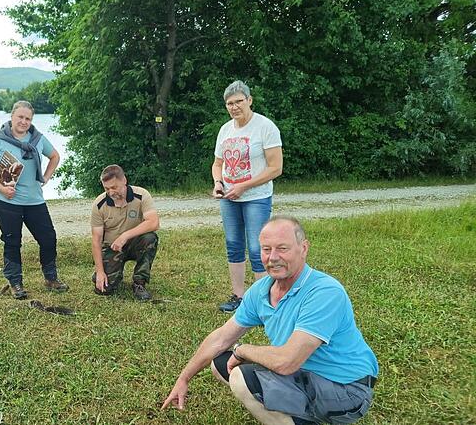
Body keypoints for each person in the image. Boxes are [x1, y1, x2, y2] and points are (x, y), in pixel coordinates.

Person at [162, 216, 379, 424]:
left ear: (303, 248)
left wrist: (243, 350)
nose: (273, 257)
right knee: (220, 364)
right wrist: (184, 378)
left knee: (240, 376)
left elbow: (287, 361)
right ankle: (298, 416)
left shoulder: (324, 292)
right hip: (303, 374)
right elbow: (220, 338)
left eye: (282, 248)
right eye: (266, 249)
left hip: (347, 389)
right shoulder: (261, 290)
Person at [0, 100, 68, 299]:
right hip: (7, 202)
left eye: (28, 118)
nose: (24, 121)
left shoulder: (38, 139)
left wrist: (46, 177)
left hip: (35, 200)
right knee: (12, 241)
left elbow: (55, 156)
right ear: (11, 117)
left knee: (48, 239)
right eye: (20, 117)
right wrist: (2, 188)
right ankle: (15, 283)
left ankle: (51, 278)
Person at [212, 80, 283, 313]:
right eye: (229, 104)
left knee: (257, 248)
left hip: (256, 197)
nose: (234, 107)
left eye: (238, 102)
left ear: (249, 100)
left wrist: (244, 186)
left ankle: (262, 299)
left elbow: (275, 168)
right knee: (233, 245)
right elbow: (218, 163)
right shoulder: (225, 129)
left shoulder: (265, 127)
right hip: (229, 198)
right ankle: (238, 297)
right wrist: (218, 183)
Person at [90, 165, 160, 301]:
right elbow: (96, 240)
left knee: (150, 238)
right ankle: (110, 273)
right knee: (104, 290)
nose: (110, 192)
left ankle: (139, 283)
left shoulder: (141, 195)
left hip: (135, 243)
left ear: (124, 181)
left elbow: (154, 222)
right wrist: (100, 271)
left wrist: (125, 236)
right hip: (112, 247)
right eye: (106, 188)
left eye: (114, 187)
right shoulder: (99, 204)